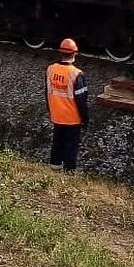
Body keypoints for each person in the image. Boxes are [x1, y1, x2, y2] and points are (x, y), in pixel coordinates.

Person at [45, 38, 89, 172]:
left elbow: (47, 93)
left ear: (61, 52)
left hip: (57, 115)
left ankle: (55, 167)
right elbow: (82, 100)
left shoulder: (50, 69)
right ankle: (69, 171)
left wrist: (50, 111)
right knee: (71, 145)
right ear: (74, 53)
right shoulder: (76, 74)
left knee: (57, 142)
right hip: (72, 118)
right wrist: (85, 118)